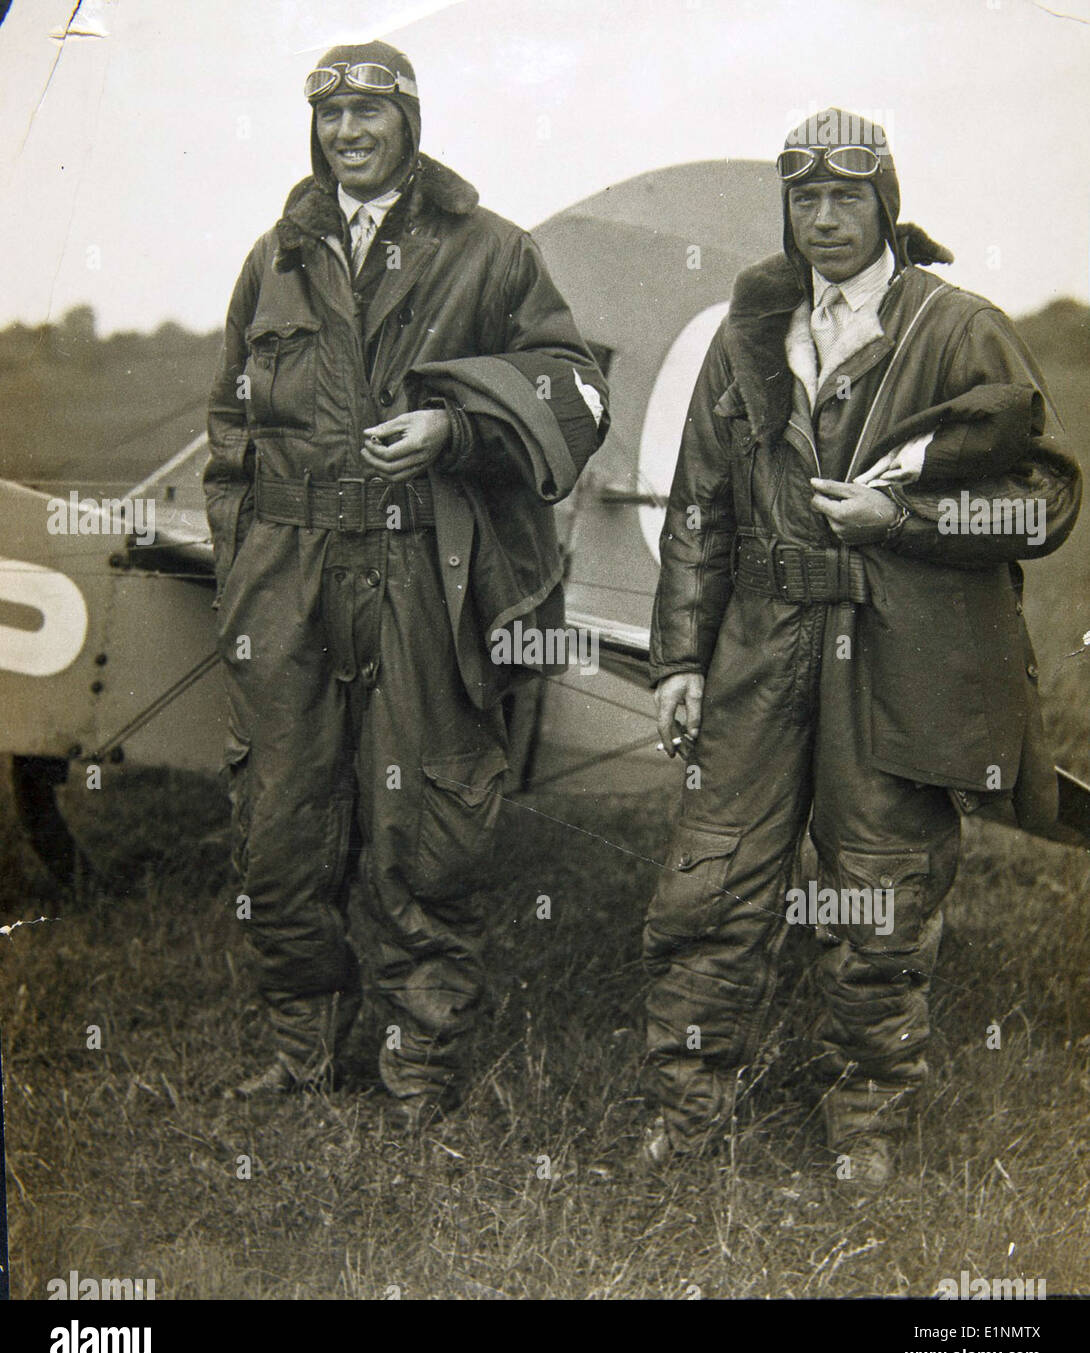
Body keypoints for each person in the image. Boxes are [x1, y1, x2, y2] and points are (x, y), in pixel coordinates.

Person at [640, 108, 1080, 1187]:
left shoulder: (956, 326)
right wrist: (682, 660)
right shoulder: (747, 335)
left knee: (878, 895)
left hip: (897, 654)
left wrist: (908, 525)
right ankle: (684, 1115)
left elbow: (1042, 502)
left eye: (846, 196)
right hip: (755, 647)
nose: (824, 219)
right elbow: (700, 506)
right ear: (784, 209)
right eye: (805, 198)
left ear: (886, 201)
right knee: (710, 884)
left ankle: (866, 1127)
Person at [205, 40, 608, 1126]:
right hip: (288, 576)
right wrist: (245, 567)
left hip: (424, 568)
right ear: (314, 131)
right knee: (279, 814)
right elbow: (231, 425)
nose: (349, 135)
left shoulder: (492, 251)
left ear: (409, 124)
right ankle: (299, 1046)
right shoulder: (276, 255)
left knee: (422, 815)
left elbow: (576, 395)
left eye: (369, 117)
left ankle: (415, 1059)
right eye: (332, 118)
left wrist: (457, 427)